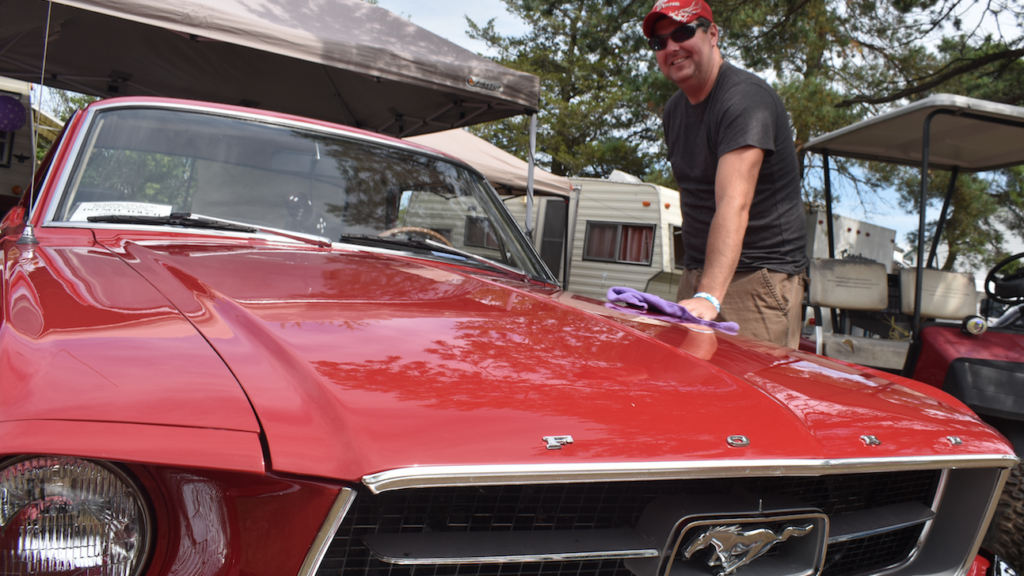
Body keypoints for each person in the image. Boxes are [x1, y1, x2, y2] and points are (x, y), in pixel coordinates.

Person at [643, 0, 808, 348]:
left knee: (748, 396)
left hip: (755, 281)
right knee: (686, 394)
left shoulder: (744, 99)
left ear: (713, 34)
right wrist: (698, 287)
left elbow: (733, 203)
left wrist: (710, 297)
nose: (671, 47)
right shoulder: (674, 111)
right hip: (700, 275)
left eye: (683, 32)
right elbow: (696, 198)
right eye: (659, 43)